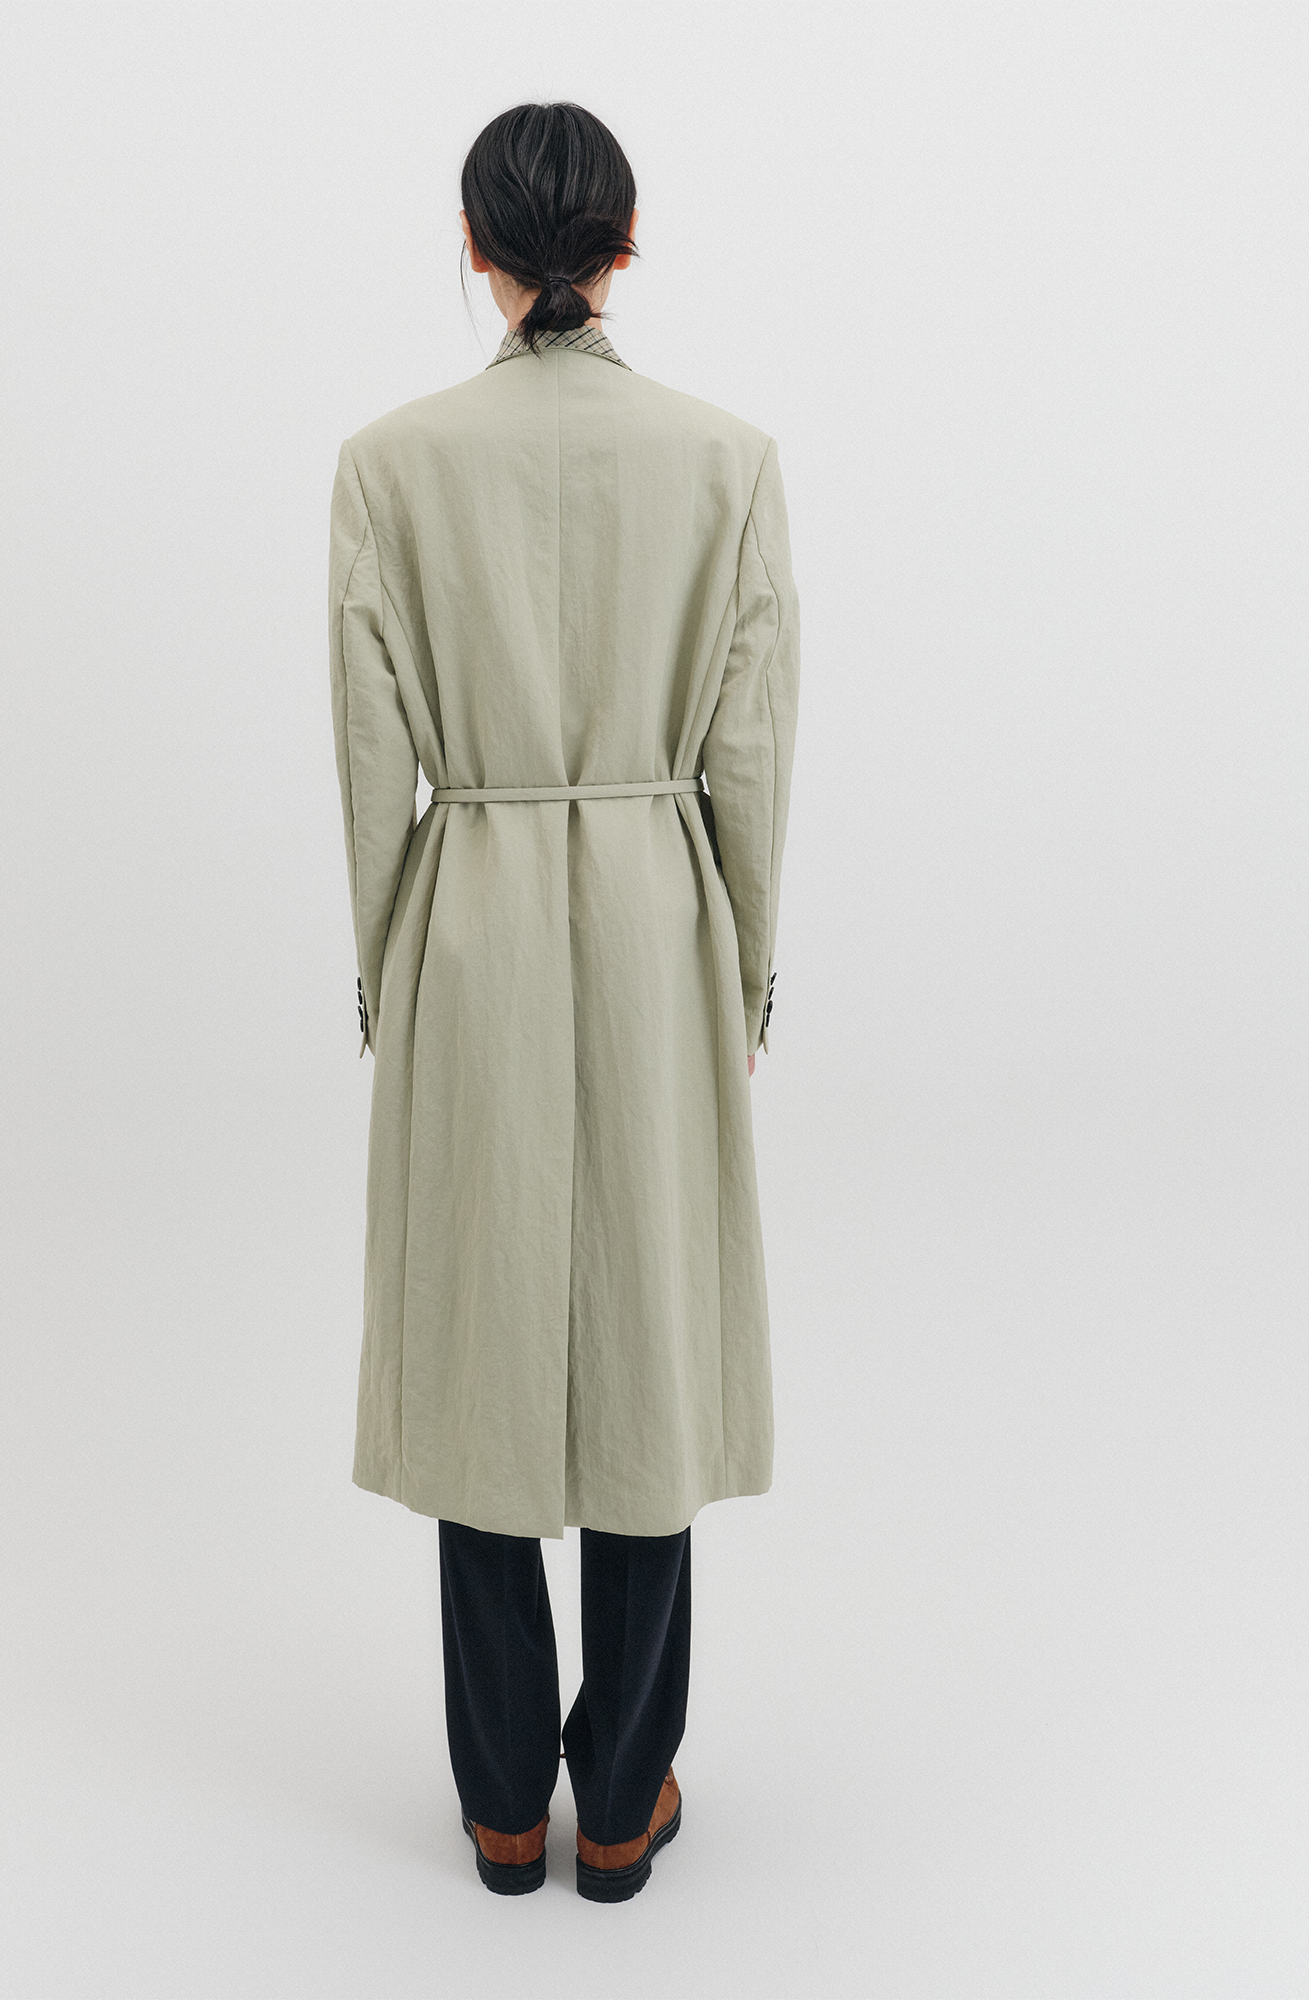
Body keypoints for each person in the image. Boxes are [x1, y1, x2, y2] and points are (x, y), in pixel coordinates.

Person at [327, 101, 800, 1902]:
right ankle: (622, 1795)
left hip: (470, 914)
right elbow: (752, 752)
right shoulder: (725, 462)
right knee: (650, 1345)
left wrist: (394, 970)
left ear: (473, 245)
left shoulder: (388, 467)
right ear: (625, 240)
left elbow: (369, 760)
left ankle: (499, 1804)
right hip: (658, 916)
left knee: (479, 1346)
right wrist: (741, 968)